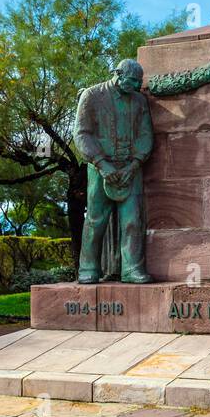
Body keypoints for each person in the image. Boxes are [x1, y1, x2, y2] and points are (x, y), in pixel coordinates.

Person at [74, 59, 154, 284]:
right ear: (118, 75)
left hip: (131, 168)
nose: (137, 87)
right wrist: (101, 164)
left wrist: (135, 163)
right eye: (132, 81)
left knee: (133, 220)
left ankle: (132, 269)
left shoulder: (139, 101)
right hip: (100, 168)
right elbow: (82, 133)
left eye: (139, 83)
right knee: (96, 219)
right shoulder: (92, 95)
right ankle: (88, 269)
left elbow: (146, 134)